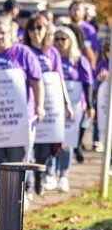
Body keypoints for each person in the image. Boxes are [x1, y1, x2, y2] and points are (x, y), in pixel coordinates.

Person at [0, 18, 43, 216]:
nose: (0, 36)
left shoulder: (23, 53)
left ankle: (19, 197)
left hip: (19, 118)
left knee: (18, 158)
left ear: (12, 35)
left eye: (4, 33)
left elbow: (36, 81)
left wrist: (40, 106)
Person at [23, 14, 74, 196]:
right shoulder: (24, 51)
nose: (36, 32)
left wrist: (67, 104)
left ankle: (40, 177)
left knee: (45, 148)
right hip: (29, 104)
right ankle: (28, 184)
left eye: (39, 28)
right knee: (29, 147)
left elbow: (59, 79)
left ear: (46, 31)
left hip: (50, 105)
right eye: (32, 28)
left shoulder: (52, 53)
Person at [54, 26, 93, 192]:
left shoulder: (79, 59)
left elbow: (88, 83)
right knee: (52, 139)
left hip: (74, 106)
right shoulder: (51, 58)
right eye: (57, 39)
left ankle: (63, 175)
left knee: (67, 142)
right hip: (54, 105)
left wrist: (90, 106)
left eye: (64, 39)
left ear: (71, 41)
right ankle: (50, 172)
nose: (60, 42)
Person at [69, 0, 99, 66]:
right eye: (74, 9)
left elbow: (95, 50)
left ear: (84, 12)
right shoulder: (66, 28)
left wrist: (92, 66)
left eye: (79, 10)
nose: (76, 12)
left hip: (84, 65)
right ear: (69, 11)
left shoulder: (89, 29)